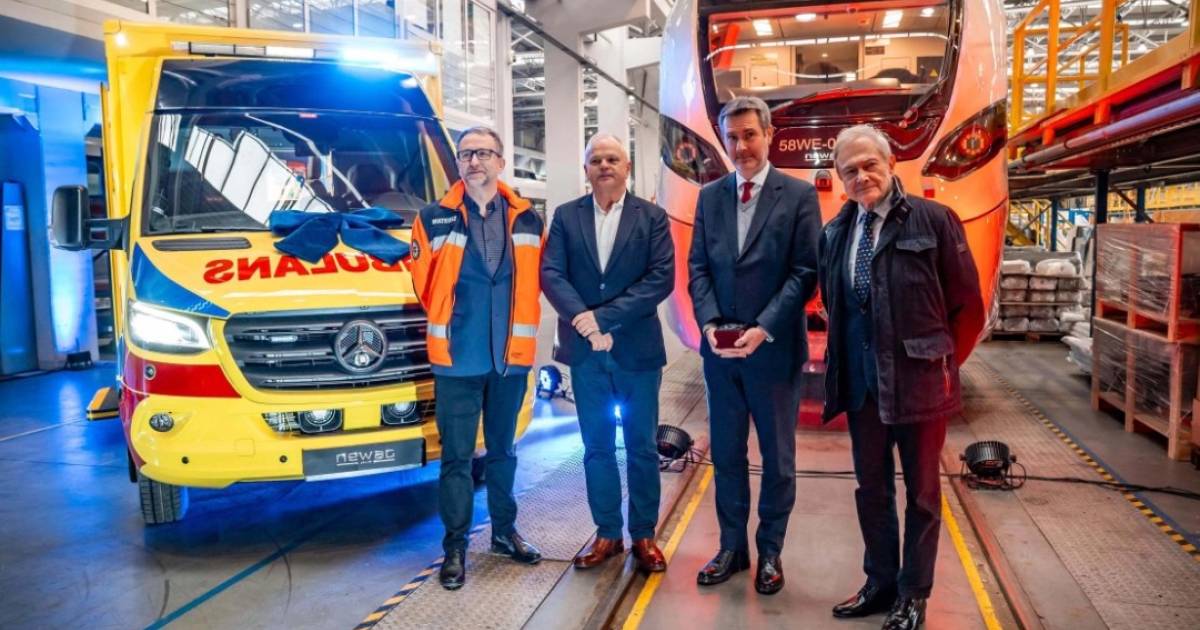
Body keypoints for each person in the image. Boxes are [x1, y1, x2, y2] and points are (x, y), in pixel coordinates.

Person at [820, 125, 985, 630]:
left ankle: (914, 594)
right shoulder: (836, 232)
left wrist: (940, 364)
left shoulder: (935, 220)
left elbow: (968, 307)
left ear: (891, 163)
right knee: (871, 489)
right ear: (840, 177)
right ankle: (881, 583)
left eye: (870, 164)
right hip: (862, 387)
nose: (862, 176)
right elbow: (836, 306)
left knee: (922, 495)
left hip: (919, 384)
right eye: (850, 170)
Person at [687, 96, 821, 595]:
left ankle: (770, 551)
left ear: (769, 136)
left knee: (778, 459)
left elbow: (805, 272)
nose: (741, 146)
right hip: (721, 355)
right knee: (726, 455)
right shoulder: (710, 197)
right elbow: (698, 267)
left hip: (773, 351)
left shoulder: (798, 195)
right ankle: (731, 548)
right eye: (732, 137)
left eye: (749, 135)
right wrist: (708, 324)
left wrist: (763, 327)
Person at [408, 126, 545, 590]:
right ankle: (455, 547)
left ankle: (504, 532)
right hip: (457, 358)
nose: (473, 161)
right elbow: (423, 285)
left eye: (483, 153)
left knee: (504, 451)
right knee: (457, 458)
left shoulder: (528, 219)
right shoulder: (433, 219)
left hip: (510, 357)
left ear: (501, 162)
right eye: (466, 154)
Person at [541, 133, 675, 573]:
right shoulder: (566, 216)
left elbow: (660, 279)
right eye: (596, 159)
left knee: (641, 447)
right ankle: (608, 534)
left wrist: (602, 319)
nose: (604, 165)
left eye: (612, 158)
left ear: (627, 167)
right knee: (596, 447)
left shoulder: (652, 217)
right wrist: (583, 321)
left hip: (636, 351)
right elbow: (552, 273)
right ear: (586, 169)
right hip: (587, 356)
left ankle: (644, 535)